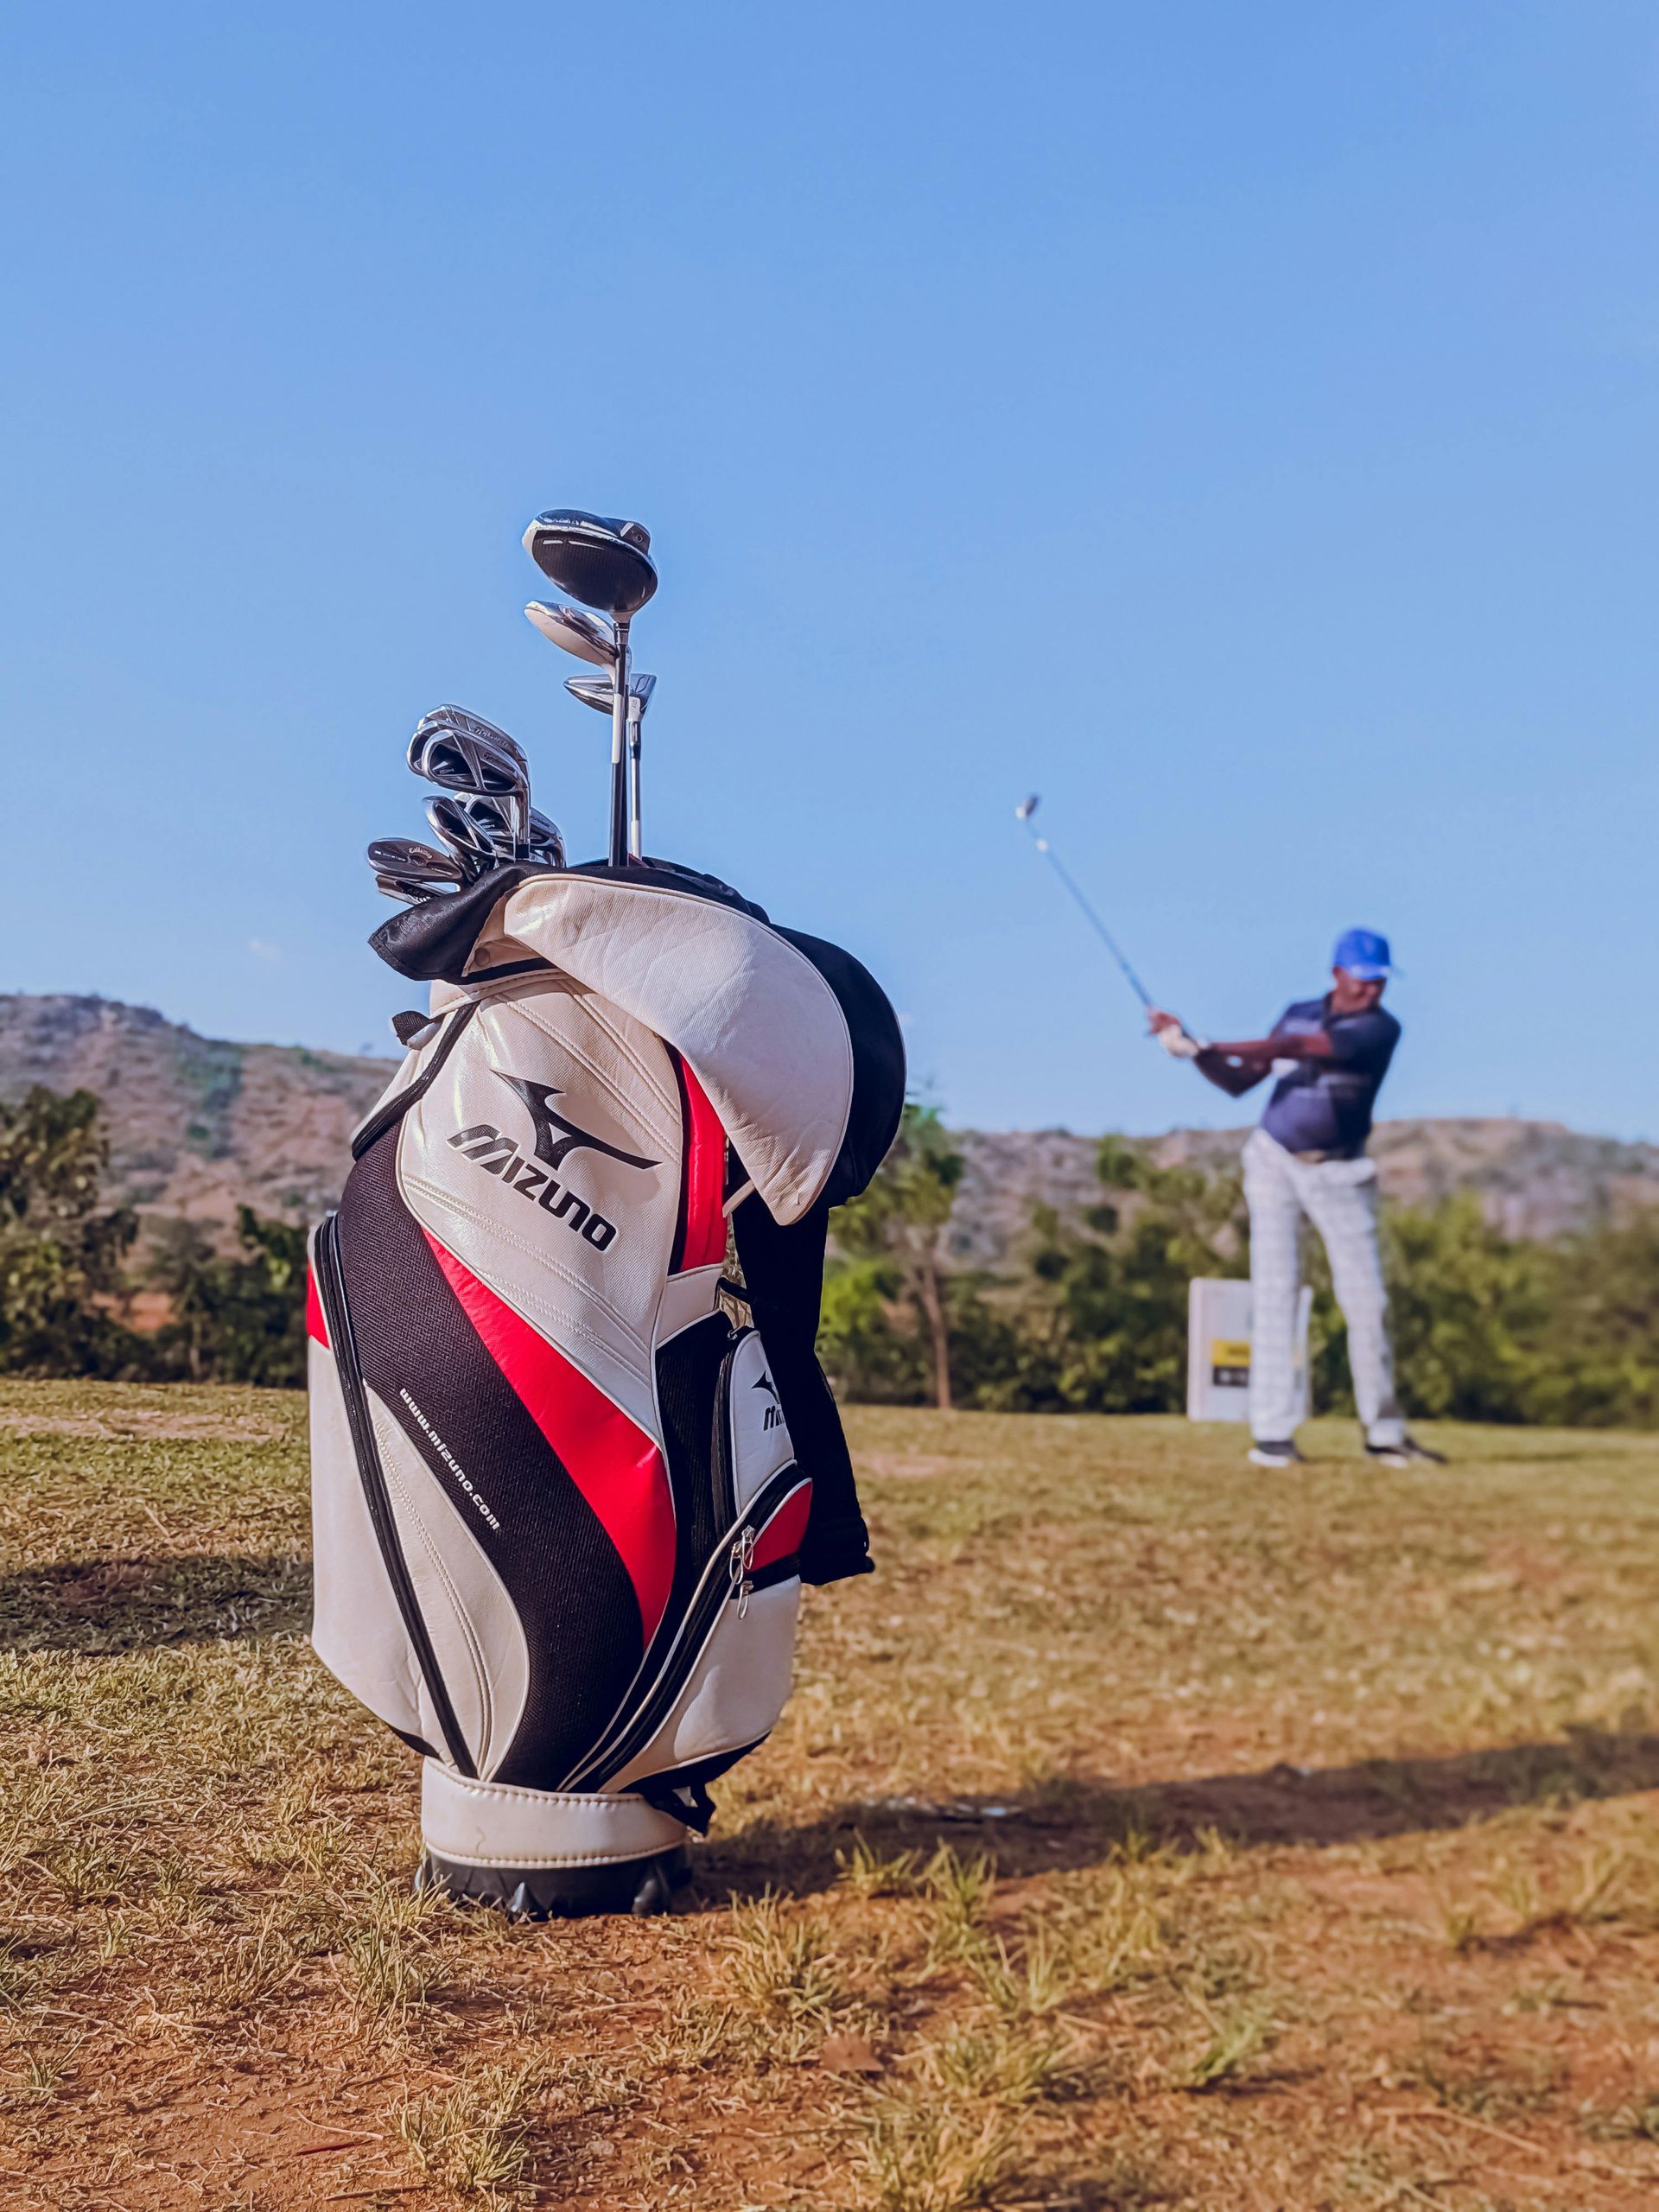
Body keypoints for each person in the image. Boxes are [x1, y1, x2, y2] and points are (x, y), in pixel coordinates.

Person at [1147, 926, 1444, 1471]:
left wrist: (1205, 1044)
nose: (1373, 990)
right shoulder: (1299, 1010)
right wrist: (1190, 1049)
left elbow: (1294, 1049)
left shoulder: (1380, 1029)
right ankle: (1273, 1435)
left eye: (1380, 981)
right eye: (1364, 979)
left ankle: (1383, 1432)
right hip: (1273, 1161)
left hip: (1341, 1171)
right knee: (1274, 1294)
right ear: (1337, 974)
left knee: (1367, 1303)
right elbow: (1240, 1082)